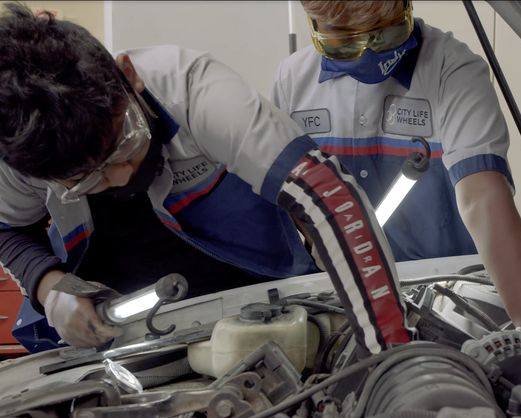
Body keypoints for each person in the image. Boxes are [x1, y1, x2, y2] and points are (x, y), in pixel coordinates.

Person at [0, 2, 410, 354]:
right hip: (119, 323)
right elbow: (7, 230)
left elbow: (325, 192)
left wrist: (391, 352)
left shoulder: (194, 88)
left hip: (258, 293)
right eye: (88, 179)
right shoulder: (20, 152)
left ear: (128, 74)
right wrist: (48, 285)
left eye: (124, 142)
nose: (124, 174)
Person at [272, 0, 521, 367]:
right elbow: (284, 205)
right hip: (344, 302)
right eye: (346, 43)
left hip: (448, 304)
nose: (367, 51)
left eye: (384, 36)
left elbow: (483, 200)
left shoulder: (452, 68)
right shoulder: (292, 80)